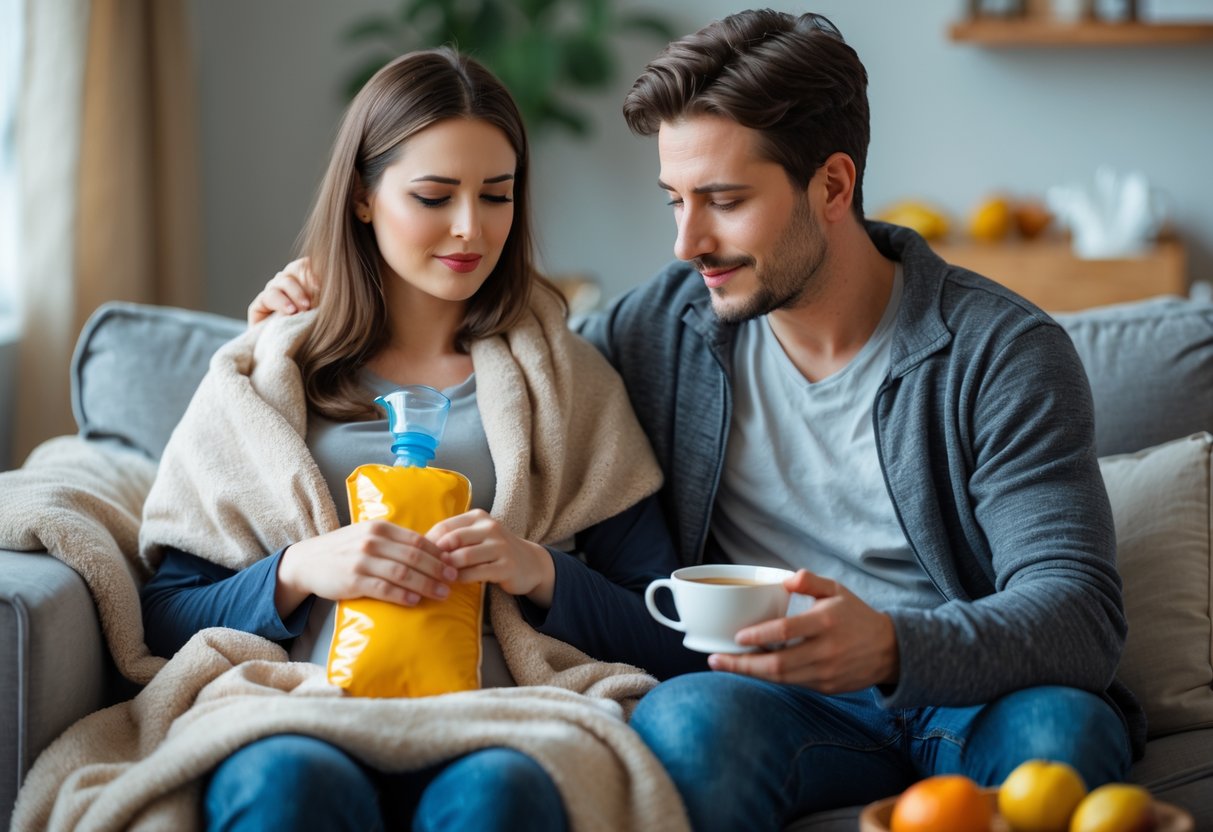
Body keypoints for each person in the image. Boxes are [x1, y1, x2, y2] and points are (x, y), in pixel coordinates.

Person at [251, 10, 1144, 830]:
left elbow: (1077, 615)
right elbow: (514, 356)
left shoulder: (998, 352)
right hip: (770, 700)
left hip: (963, 693)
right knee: (685, 719)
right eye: (674, 201)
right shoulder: (664, 328)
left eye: (722, 201)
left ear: (832, 185)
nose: (687, 244)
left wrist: (888, 646)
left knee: (1063, 730)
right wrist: (332, 288)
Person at [140, 47, 703, 832]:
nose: (471, 228)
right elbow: (163, 615)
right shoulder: (266, 377)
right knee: (287, 786)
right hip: (300, 707)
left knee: (497, 799)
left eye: (496, 196)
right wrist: (301, 569)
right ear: (364, 197)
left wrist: (535, 569)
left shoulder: (569, 382)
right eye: (434, 196)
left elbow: (666, 629)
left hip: (501, 716)